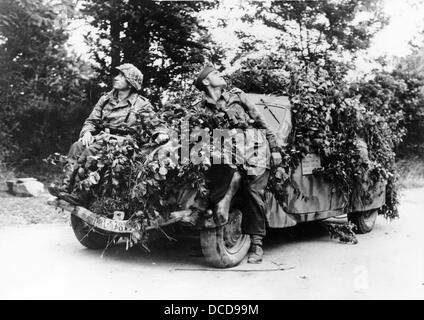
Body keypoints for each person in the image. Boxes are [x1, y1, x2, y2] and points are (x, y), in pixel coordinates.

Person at [193, 65, 282, 263]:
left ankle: (257, 245)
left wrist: (275, 149)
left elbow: (261, 121)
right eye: (214, 73)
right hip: (226, 153)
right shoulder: (201, 107)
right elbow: (198, 135)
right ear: (206, 82)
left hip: (254, 149)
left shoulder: (237, 95)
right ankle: (211, 224)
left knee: (252, 192)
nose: (220, 74)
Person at [48, 63, 169, 204]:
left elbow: (155, 123)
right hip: (102, 137)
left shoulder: (141, 104)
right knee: (77, 146)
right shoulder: (105, 99)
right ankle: (65, 187)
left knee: (91, 151)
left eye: (122, 76)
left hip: (124, 144)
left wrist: (160, 133)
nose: (116, 78)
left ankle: (80, 194)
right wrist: (87, 132)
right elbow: (92, 120)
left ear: (130, 83)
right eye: (117, 74)